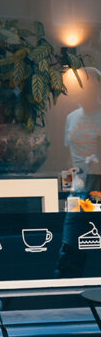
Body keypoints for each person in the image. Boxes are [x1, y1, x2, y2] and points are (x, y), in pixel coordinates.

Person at [57, 66, 101, 277]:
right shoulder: (71, 117)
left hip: (97, 191)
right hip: (77, 191)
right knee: (69, 246)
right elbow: (70, 155)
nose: (84, 92)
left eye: (88, 87)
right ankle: (66, 294)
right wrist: (68, 187)